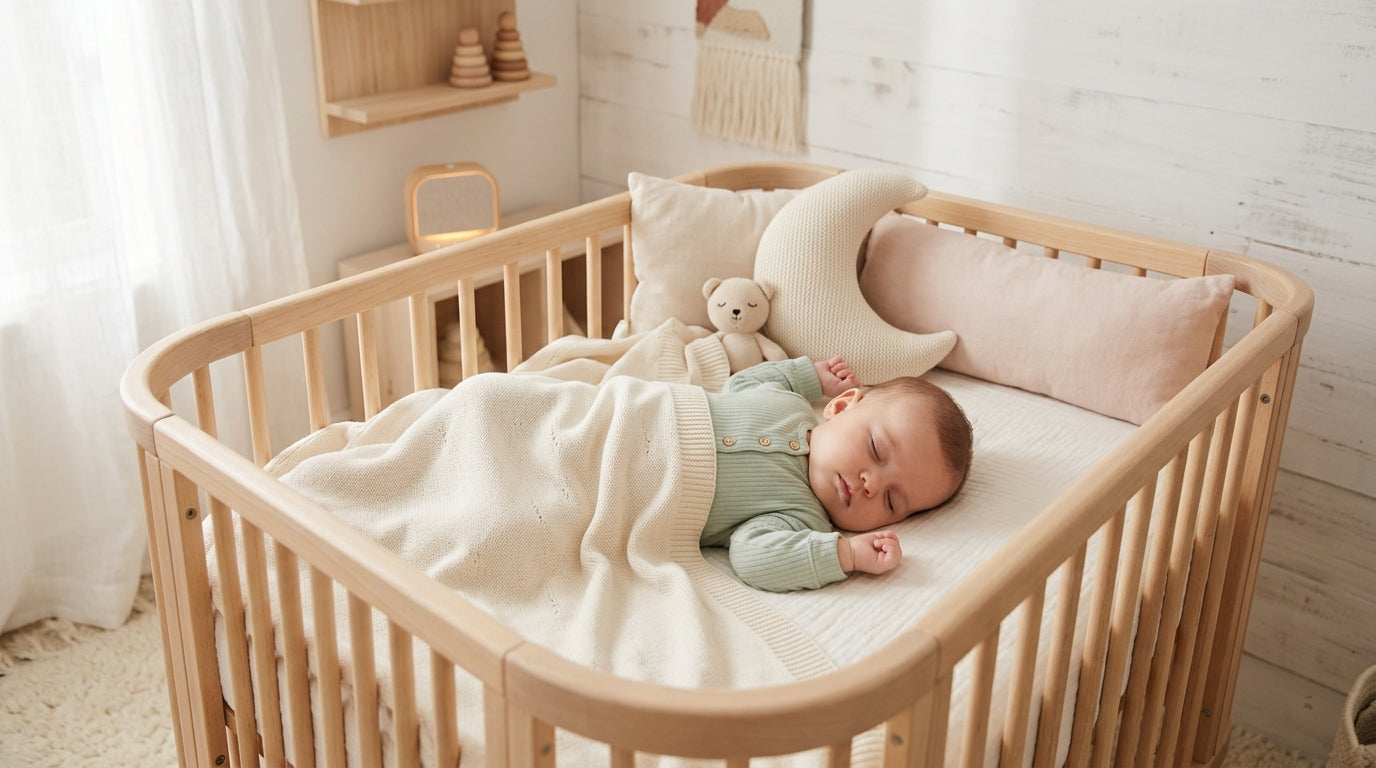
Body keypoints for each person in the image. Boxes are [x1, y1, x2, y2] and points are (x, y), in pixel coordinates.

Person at [701, 355, 973, 592]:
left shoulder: (803, 521)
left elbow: (751, 555)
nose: (872, 485)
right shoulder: (788, 402)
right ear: (841, 406)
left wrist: (846, 555)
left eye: (891, 501)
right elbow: (741, 385)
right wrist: (809, 376)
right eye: (876, 450)